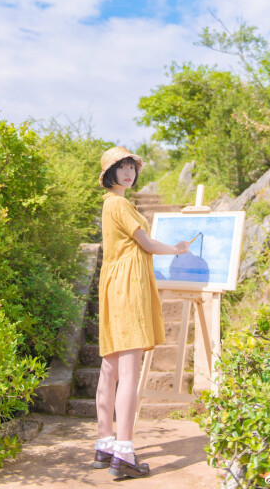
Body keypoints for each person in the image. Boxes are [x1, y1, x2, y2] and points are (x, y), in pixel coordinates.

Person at [93, 146, 189, 479]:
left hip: (112, 284)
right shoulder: (121, 203)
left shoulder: (109, 205)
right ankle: (125, 451)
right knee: (129, 370)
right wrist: (176, 249)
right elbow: (147, 244)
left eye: (132, 166)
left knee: (110, 367)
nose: (129, 172)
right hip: (128, 286)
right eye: (122, 167)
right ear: (110, 173)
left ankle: (105, 444)